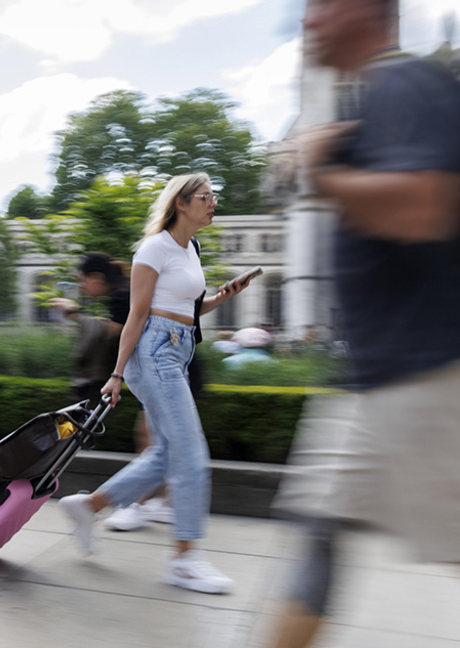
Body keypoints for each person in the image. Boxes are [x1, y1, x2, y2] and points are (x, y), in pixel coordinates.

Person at [269, 0, 460, 645]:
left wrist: (322, 172)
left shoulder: (410, 82)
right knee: (316, 531)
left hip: (429, 379)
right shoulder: (370, 107)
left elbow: (423, 207)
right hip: (370, 380)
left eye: (319, 7)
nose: (307, 21)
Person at [57, 173, 253, 595]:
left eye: (213, 197)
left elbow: (190, 308)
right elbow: (137, 316)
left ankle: (89, 506)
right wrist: (116, 374)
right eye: (205, 197)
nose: (213, 203)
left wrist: (225, 295)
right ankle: (184, 559)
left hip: (179, 349)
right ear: (181, 204)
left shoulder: (190, 248)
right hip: (155, 353)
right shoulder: (154, 248)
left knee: (166, 453)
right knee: (191, 455)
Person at [52, 253, 175, 533]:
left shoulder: (122, 296)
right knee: (156, 439)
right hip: (166, 369)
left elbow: (116, 333)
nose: (83, 288)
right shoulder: (125, 291)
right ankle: (162, 502)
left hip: (165, 371)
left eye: (83, 282)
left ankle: (135, 504)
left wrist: (74, 313)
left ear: (96, 278)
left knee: (155, 441)